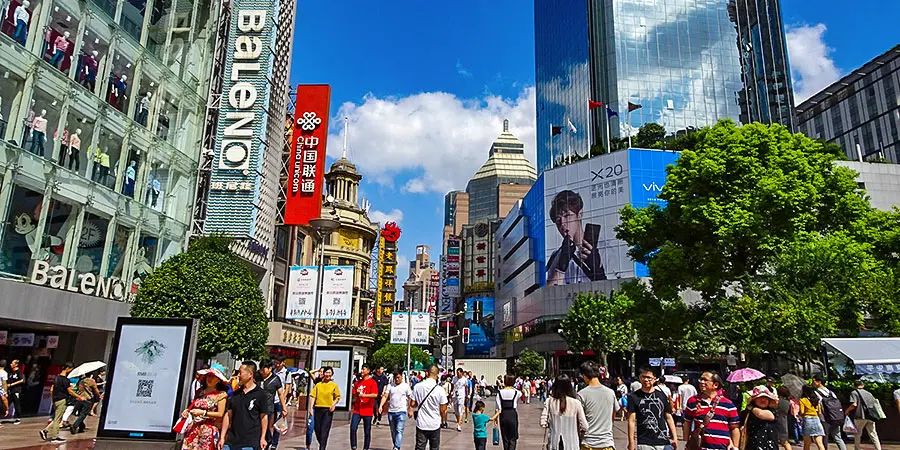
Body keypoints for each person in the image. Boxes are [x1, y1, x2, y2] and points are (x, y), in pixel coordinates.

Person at [546, 190, 607, 285]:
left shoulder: (603, 249)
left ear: (580, 214)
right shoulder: (556, 256)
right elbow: (549, 294)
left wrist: (598, 271)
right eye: (558, 220)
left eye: (567, 216)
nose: (563, 224)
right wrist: (561, 267)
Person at [683, 371, 740, 450]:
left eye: (705, 380)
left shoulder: (728, 404)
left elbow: (735, 427)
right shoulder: (693, 401)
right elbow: (687, 422)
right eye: (701, 379)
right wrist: (686, 443)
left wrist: (735, 447)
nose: (701, 382)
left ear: (715, 385)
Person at [219, 361, 269, 450]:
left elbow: (263, 417)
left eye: (240, 372)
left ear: (250, 374)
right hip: (231, 442)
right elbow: (228, 415)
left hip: (249, 443)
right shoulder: (235, 394)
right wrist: (222, 437)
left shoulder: (261, 394)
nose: (238, 375)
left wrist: (263, 438)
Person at [628, 367, 678, 450]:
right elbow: (631, 420)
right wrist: (631, 442)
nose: (646, 380)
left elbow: (668, 417)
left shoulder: (662, 395)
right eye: (643, 377)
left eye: (649, 377)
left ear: (654, 379)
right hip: (644, 442)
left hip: (663, 441)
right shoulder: (634, 397)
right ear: (639, 378)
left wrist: (675, 438)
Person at [181, 366, 229, 450]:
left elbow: (220, 413)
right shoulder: (200, 391)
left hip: (208, 430)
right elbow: (193, 404)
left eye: (213, 377)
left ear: (218, 380)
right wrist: (188, 411)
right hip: (193, 428)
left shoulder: (221, 395)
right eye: (208, 376)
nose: (210, 379)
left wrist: (203, 413)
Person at [541, 374, 589, 450]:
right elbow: (585, 426)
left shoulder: (549, 401)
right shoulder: (576, 403)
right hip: (572, 444)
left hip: (554, 443)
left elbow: (543, 422)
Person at [577, 361, 617, 450]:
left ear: (584, 376)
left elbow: (579, 420)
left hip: (588, 442)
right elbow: (613, 416)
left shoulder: (581, 394)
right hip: (607, 442)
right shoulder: (610, 393)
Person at [40, 362, 80, 443]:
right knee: (58, 419)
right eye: (71, 369)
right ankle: (54, 437)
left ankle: (45, 431)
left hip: (55, 400)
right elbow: (70, 392)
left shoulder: (56, 378)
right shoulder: (65, 380)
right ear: (68, 368)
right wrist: (79, 397)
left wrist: (53, 400)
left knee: (58, 418)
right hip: (62, 400)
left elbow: (51, 390)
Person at [411, 365, 448, 450]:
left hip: (421, 423)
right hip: (434, 423)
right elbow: (443, 408)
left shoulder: (417, 386)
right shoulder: (440, 389)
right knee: (434, 448)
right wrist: (443, 420)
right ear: (437, 375)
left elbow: (412, 403)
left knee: (420, 447)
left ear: (427, 373)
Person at [308, 366, 340, 450]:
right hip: (318, 409)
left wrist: (333, 404)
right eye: (326, 372)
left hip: (328, 410)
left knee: (324, 430)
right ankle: (322, 443)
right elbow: (313, 396)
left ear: (332, 374)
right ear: (323, 374)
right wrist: (311, 408)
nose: (328, 374)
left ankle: (322, 447)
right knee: (317, 429)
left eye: (329, 373)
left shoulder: (334, 385)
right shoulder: (318, 385)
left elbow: (337, 397)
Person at [380, 371, 413, 450]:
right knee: (393, 430)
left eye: (398, 377)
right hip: (391, 411)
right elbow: (385, 396)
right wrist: (381, 405)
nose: (397, 379)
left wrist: (410, 409)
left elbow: (410, 398)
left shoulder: (405, 386)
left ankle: (397, 447)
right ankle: (396, 444)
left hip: (401, 411)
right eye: (395, 378)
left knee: (399, 430)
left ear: (401, 377)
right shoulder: (390, 386)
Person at [812, 375, 846, 450]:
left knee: (824, 438)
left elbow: (817, 405)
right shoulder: (831, 392)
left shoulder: (816, 393)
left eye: (813, 380)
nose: (812, 382)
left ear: (819, 382)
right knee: (838, 437)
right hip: (835, 417)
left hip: (824, 418)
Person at [846, 380, 882, 450]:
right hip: (871, 416)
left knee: (857, 433)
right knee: (873, 433)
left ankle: (857, 448)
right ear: (863, 385)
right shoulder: (869, 393)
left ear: (854, 386)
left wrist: (847, 410)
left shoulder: (854, 392)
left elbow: (854, 404)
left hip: (860, 416)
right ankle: (878, 448)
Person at [259, 358, 286, 449]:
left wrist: (284, 408)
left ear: (270, 368)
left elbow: (280, 394)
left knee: (265, 426)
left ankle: (268, 440)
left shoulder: (275, 379)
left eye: (263, 369)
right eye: (260, 369)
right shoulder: (257, 377)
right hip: (256, 406)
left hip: (268, 407)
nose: (262, 371)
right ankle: (265, 441)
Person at [350, 364, 378, 450]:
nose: (362, 371)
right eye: (361, 369)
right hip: (357, 409)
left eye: (364, 369)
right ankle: (354, 446)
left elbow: (375, 394)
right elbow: (354, 397)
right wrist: (356, 394)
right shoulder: (357, 383)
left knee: (367, 430)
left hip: (367, 409)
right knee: (353, 428)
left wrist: (364, 395)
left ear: (368, 371)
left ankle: (366, 447)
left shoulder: (372, 382)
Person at [490, 375, 520, 450]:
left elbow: (497, 407)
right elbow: (521, 393)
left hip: (503, 414)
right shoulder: (516, 392)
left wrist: (496, 419)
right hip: (512, 414)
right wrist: (512, 387)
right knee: (513, 437)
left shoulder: (500, 392)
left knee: (505, 437)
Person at [799, 385, 826, 450]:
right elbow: (819, 412)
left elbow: (802, 412)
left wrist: (799, 414)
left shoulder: (802, 400)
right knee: (820, 443)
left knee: (807, 444)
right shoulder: (816, 400)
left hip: (807, 420)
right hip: (817, 420)